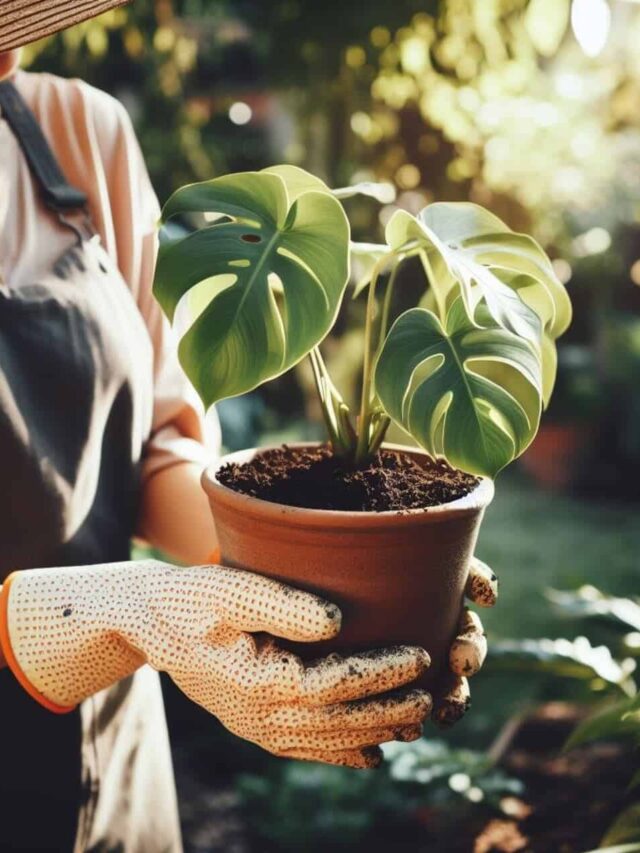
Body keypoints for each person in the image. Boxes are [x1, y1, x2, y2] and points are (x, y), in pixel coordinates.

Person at [0, 3, 498, 851]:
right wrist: (105, 614)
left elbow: (159, 438)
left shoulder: (72, 129)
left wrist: (300, 579)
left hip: (114, 759)